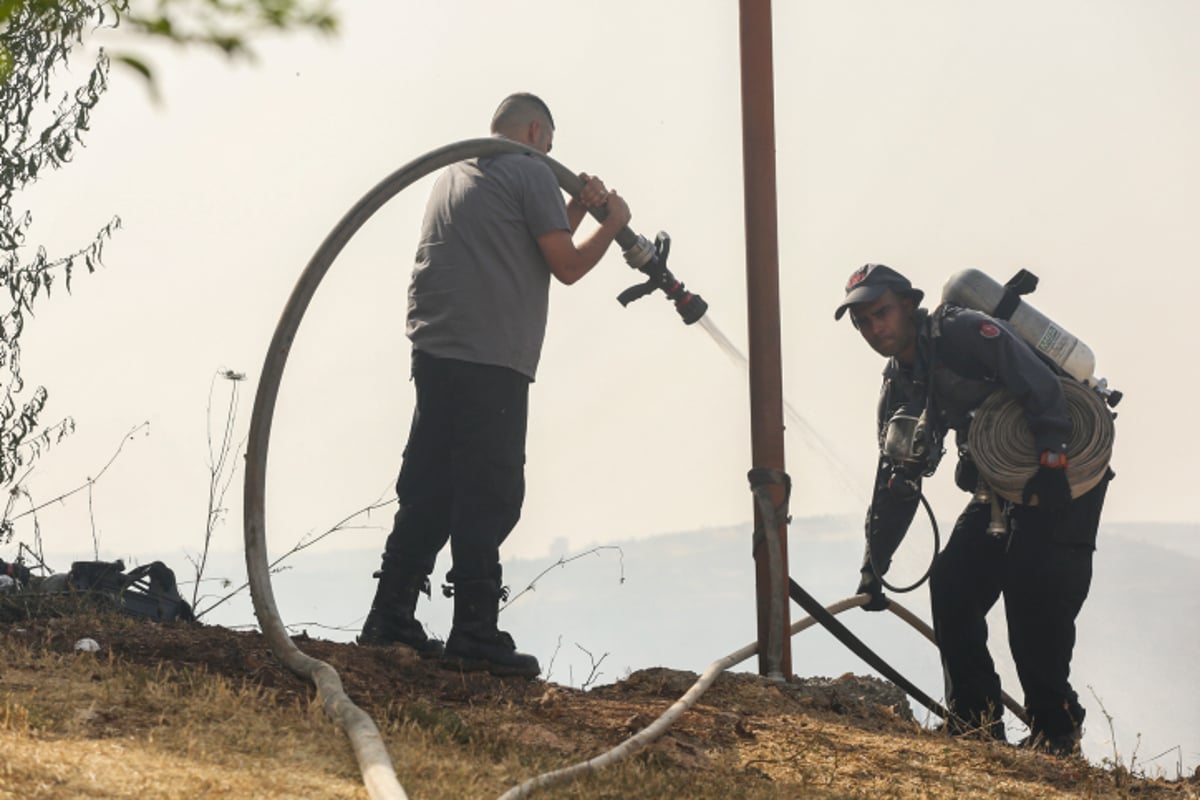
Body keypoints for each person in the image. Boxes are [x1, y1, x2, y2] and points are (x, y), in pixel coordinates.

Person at [358, 93, 632, 678]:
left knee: (430, 484)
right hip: (491, 361)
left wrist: (573, 211)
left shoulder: (458, 172)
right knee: (490, 491)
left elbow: (530, 236)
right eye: (550, 145)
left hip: (437, 354)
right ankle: (475, 632)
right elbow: (566, 266)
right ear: (536, 131)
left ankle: (390, 616)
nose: (549, 154)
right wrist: (614, 223)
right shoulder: (531, 168)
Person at [835, 263, 1112, 755]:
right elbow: (897, 476)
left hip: (1062, 475)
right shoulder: (901, 384)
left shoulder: (964, 332)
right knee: (954, 586)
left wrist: (1050, 457)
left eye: (881, 313)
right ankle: (975, 726)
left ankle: (1057, 731)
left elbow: (1037, 383)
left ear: (909, 304)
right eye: (863, 323)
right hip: (999, 484)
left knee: (1034, 599)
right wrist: (874, 564)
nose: (875, 329)